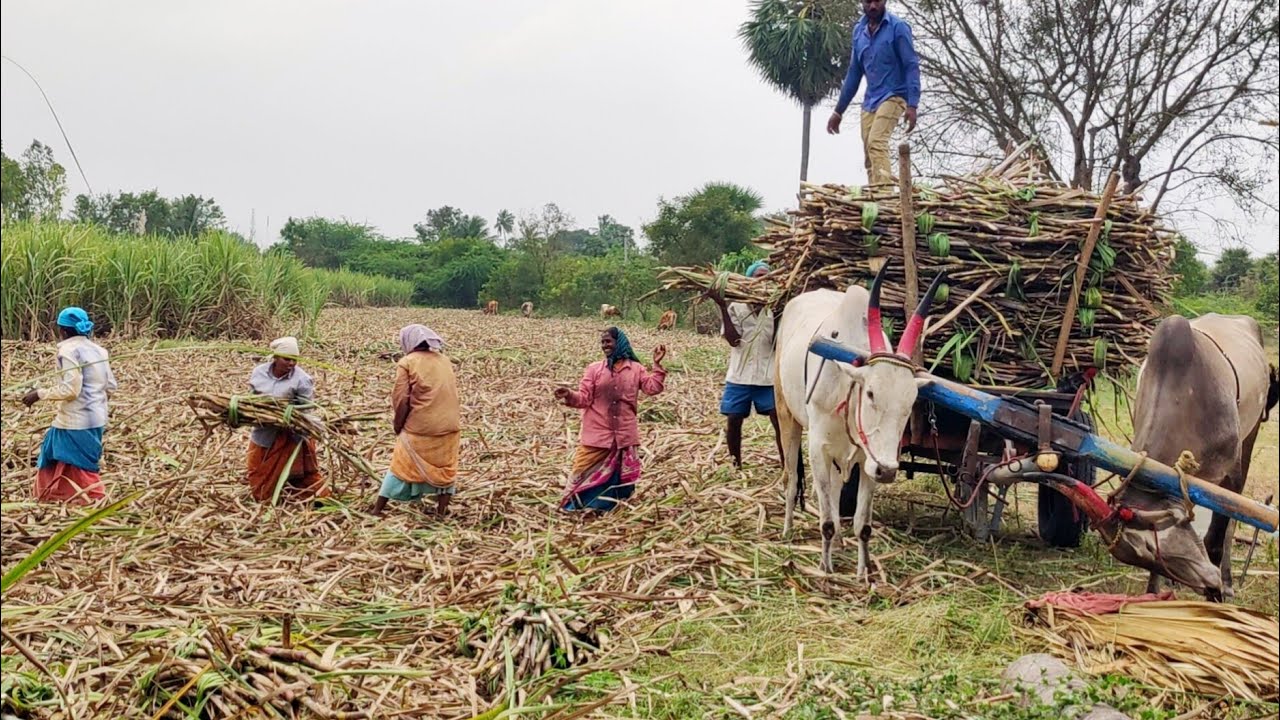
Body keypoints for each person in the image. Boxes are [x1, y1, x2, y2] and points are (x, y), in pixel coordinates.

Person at [554, 328, 667, 513]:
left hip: (624, 434)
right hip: (597, 434)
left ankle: (609, 509)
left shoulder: (636, 369)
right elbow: (584, 398)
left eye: (608, 341)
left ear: (620, 343)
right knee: (582, 471)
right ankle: (576, 508)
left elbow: (652, 388)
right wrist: (569, 395)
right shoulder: (594, 369)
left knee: (618, 479)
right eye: (603, 342)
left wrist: (657, 365)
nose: (605, 345)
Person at [21, 307, 117, 504]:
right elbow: (110, 386)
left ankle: (95, 498)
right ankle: (57, 495)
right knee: (54, 452)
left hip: (75, 419)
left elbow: (70, 390)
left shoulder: (67, 351)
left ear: (62, 330)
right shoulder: (100, 351)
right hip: (97, 418)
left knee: (78, 463)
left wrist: (39, 394)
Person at [826, 0, 921, 187]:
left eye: (877, 1)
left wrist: (912, 104)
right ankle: (875, 196)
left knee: (877, 142)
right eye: (868, 1)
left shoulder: (898, 27)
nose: (873, 6)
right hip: (871, 100)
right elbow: (854, 73)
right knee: (869, 151)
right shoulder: (859, 32)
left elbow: (911, 65)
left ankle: (884, 197)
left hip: (895, 95)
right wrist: (839, 111)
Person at [372, 325, 461, 517]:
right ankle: (441, 511)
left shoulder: (407, 362)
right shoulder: (444, 360)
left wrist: (398, 425)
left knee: (400, 464)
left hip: (421, 428)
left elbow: (401, 399)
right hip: (450, 426)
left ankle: (378, 509)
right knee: (445, 469)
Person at [707, 261, 784, 469]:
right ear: (749, 281)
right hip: (740, 375)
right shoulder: (737, 308)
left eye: (766, 277)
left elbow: (777, 342)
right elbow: (733, 340)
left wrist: (779, 312)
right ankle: (735, 464)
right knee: (733, 419)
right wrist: (722, 306)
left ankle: (787, 463)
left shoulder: (774, 310)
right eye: (758, 276)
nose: (762, 281)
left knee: (779, 419)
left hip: (767, 376)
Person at [245, 336, 329, 503]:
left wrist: (287, 417)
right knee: (257, 469)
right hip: (264, 431)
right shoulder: (259, 373)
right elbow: (250, 399)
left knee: (304, 474)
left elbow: (307, 409)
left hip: (292, 434)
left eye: (294, 359)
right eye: (287, 359)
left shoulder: (302, 380)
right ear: (275, 357)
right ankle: (264, 498)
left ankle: (319, 500)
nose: (291, 363)